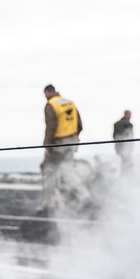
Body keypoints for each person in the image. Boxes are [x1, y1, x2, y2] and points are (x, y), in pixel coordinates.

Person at [38, 84, 88, 215]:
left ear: (48, 92)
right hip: (72, 141)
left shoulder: (51, 105)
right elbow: (80, 124)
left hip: (59, 142)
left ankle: (47, 204)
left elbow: (50, 127)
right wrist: (74, 137)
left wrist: (47, 146)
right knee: (67, 170)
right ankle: (83, 195)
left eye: (45, 94)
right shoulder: (69, 103)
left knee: (49, 172)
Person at [113, 110, 134, 175]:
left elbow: (114, 136)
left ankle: (125, 175)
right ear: (126, 114)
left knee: (125, 162)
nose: (130, 116)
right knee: (127, 162)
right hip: (124, 147)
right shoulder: (128, 124)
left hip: (119, 146)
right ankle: (126, 175)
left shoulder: (116, 123)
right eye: (129, 114)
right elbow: (129, 136)